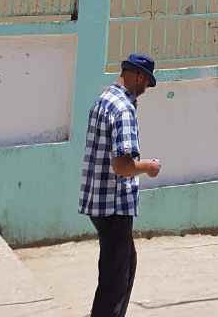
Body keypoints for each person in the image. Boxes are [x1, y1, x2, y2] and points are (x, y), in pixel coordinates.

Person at [78, 54, 161, 317]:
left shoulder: (103, 100)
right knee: (116, 279)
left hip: (97, 202)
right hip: (114, 205)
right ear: (137, 76)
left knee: (121, 266)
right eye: (146, 82)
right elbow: (122, 166)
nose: (146, 88)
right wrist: (149, 167)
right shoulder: (124, 109)